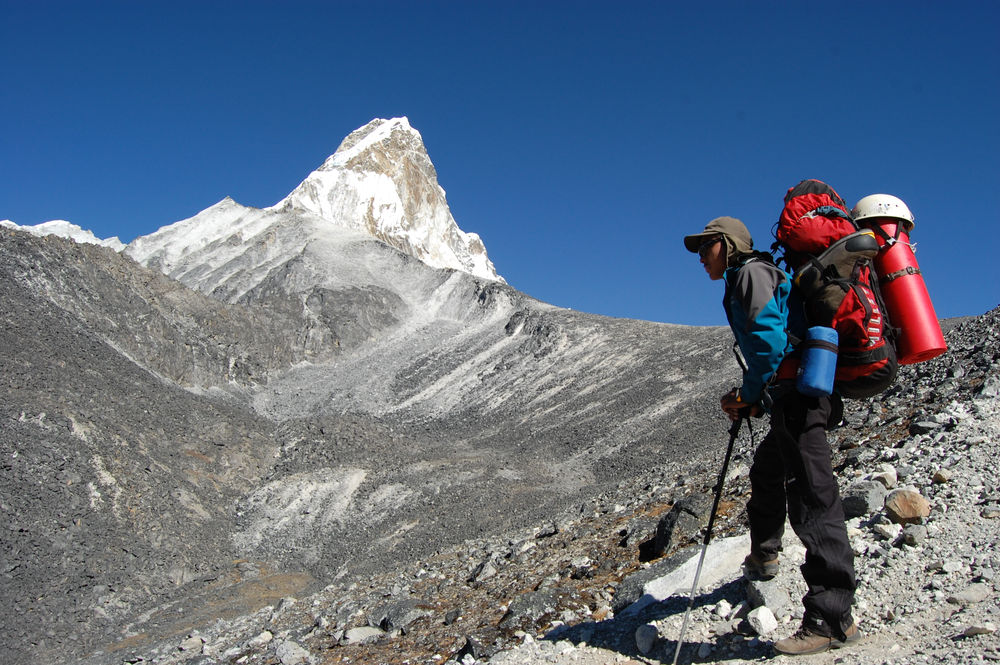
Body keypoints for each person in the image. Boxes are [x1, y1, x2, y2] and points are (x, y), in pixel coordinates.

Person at [684, 216, 860, 656]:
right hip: (792, 396)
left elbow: (768, 345)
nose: (701, 257)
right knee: (766, 472)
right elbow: (778, 348)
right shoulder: (750, 275)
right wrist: (757, 400)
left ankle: (832, 618)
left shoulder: (750, 273)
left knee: (813, 500)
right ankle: (763, 558)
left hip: (800, 398)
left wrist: (747, 395)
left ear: (728, 244)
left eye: (706, 247)